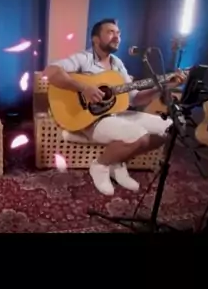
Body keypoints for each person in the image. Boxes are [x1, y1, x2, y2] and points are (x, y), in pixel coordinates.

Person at [44, 18, 185, 196]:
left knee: (168, 128)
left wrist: (163, 87)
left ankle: (117, 162)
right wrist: (84, 88)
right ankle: (100, 166)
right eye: (111, 32)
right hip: (90, 119)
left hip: (115, 114)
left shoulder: (117, 64)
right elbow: (50, 72)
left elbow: (135, 99)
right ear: (95, 39)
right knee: (138, 136)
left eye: (118, 33)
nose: (117, 37)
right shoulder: (83, 58)